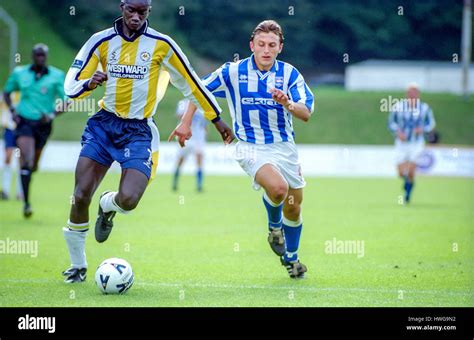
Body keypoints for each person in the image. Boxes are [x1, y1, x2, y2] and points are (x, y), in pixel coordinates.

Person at [62, 0, 233, 283]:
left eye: (143, 12)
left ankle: (108, 205)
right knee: (80, 195)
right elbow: (71, 84)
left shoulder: (162, 44)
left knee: (128, 200)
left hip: (138, 130)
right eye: (132, 10)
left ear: (149, 11)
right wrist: (89, 83)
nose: (136, 17)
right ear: (122, 7)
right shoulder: (100, 41)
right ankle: (78, 266)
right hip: (104, 126)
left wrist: (215, 118)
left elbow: (190, 83)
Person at [174, 20, 314, 279]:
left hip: (284, 147)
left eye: (272, 45)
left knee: (294, 206)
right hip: (248, 146)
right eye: (261, 44)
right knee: (278, 188)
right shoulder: (233, 71)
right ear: (252, 45)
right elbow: (198, 90)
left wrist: (288, 103)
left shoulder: (290, 75)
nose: (266, 50)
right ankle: (274, 227)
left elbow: (306, 113)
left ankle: (292, 260)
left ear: (280, 47)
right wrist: (185, 123)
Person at [3, 44, 67, 217]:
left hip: (43, 124)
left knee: (34, 165)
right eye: (37, 55)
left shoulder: (56, 75)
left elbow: (66, 101)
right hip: (24, 122)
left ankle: (28, 172)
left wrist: (52, 115)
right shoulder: (20, 73)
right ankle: (26, 203)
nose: (40, 58)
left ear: (46, 56)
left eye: (43, 55)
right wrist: (13, 112)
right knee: (27, 158)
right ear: (33, 56)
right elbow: (7, 92)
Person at [388, 83, 436, 204]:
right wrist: (397, 132)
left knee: (410, 170)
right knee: (400, 172)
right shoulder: (398, 107)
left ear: (418, 94)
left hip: (416, 143)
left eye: (414, 92)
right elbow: (391, 123)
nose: (412, 95)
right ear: (406, 94)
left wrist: (423, 129)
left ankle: (407, 195)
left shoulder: (424, 108)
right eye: (410, 92)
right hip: (401, 143)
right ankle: (407, 184)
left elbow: (431, 124)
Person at [172, 99, 207, 192]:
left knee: (199, 158)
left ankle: (199, 185)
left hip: (198, 137)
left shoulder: (202, 102)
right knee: (181, 159)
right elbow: (178, 116)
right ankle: (175, 182)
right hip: (186, 137)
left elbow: (205, 120)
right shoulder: (183, 103)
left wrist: (206, 131)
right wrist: (190, 113)